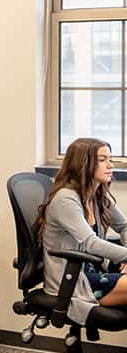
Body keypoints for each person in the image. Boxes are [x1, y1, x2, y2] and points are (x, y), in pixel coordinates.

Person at [37, 137, 127, 326]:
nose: (110, 165)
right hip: (73, 280)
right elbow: (90, 243)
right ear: (83, 164)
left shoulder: (97, 195)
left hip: (94, 271)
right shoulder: (66, 199)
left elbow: (124, 226)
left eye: (110, 159)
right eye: (102, 160)